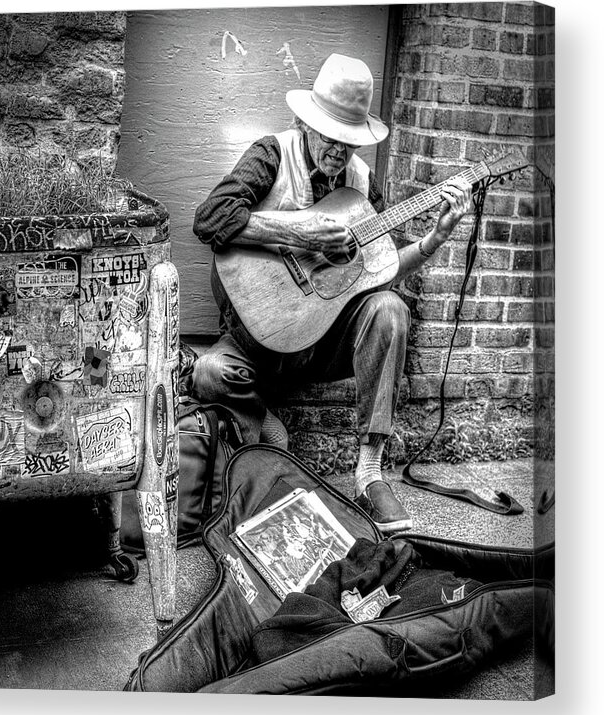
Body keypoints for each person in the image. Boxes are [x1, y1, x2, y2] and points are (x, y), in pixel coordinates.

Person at [192, 53, 472, 533]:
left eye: (349, 142)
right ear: (305, 122)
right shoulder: (272, 155)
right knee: (210, 372)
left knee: (389, 307)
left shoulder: (361, 185)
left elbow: (382, 269)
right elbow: (210, 219)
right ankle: (263, 419)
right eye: (330, 137)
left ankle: (369, 472)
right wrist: (299, 235)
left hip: (322, 342)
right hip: (254, 343)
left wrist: (433, 240)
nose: (339, 152)